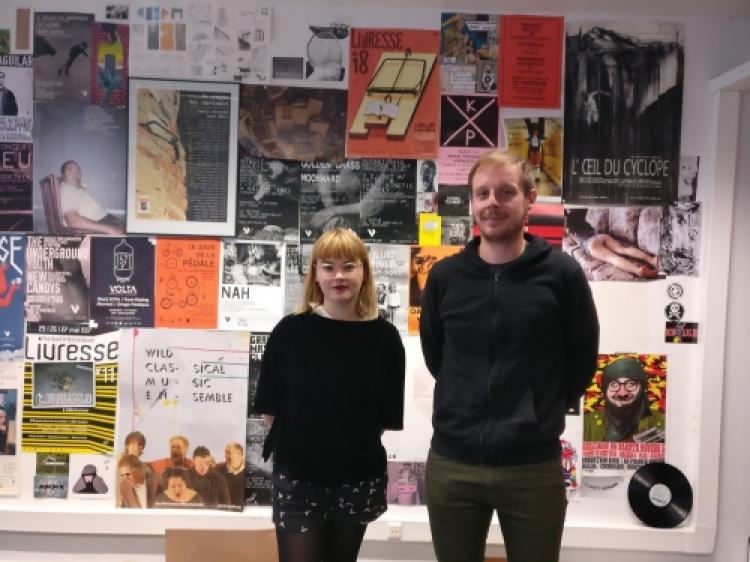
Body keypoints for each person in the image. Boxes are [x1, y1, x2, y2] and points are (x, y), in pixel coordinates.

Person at [420, 149, 599, 562]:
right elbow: (437, 358)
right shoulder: (446, 277)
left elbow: (581, 361)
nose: (492, 203)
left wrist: (537, 413)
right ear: (472, 202)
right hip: (453, 463)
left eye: (505, 192)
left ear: (529, 199)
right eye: (482, 193)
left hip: (532, 466)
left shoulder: (561, 274)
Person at [253, 227, 405, 562]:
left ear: (364, 272)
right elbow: (269, 408)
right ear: (315, 275)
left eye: (349, 266)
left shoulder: (385, 339)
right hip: (298, 476)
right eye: (328, 267)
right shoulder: (289, 332)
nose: (339, 275)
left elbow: (383, 418)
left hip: (357, 478)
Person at [584, 357, 665, 443]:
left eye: (631, 384)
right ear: (605, 389)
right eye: (614, 384)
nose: (622, 393)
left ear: (643, 387)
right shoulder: (588, 423)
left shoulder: (661, 420)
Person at [57, 160, 124, 235]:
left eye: (78, 170)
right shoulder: (66, 189)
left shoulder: (76, 188)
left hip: (106, 219)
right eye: (70, 170)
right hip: (101, 224)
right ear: (63, 175)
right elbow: (73, 221)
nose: (76, 173)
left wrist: (81, 186)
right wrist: (110, 229)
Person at [568, 225, 659, 279]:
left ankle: (638, 271)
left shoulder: (570, 231)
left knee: (612, 258)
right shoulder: (584, 221)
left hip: (591, 244)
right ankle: (651, 259)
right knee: (622, 250)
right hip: (600, 236)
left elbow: (573, 244)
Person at [216, 442, 246, 507]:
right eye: (225, 453)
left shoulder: (251, 472)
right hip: (225, 512)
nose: (225, 456)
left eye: (228, 452)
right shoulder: (219, 470)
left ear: (239, 454)